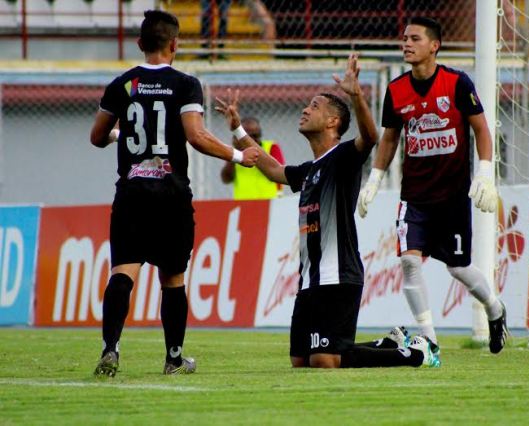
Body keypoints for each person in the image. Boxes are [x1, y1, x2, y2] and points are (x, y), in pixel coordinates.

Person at [216, 53, 437, 368]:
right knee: (300, 360)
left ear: (334, 122)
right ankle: (385, 344)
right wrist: (238, 130)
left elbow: (372, 136)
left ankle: (416, 354)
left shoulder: (344, 158)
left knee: (324, 359)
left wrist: (356, 95)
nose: (305, 109)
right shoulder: (309, 170)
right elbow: (272, 169)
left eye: (315, 106)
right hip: (309, 279)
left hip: (339, 276)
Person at [89, 9, 259, 377]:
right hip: (171, 194)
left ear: (140, 44)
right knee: (172, 279)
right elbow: (196, 136)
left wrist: (123, 137)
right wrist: (237, 154)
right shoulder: (185, 84)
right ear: (175, 44)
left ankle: (110, 349)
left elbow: (97, 136)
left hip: (132, 193)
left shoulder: (122, 84)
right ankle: (174, 358)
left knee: (122, 272)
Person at [357, 17, 508, 362]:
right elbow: (390, 138)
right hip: (415, 198)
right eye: (404, 38)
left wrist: (484, 173)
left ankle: (495, 308)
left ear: (434, 46)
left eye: (414, 38)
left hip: (453, 196)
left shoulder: (457, 83)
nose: (406, 44)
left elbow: (482, 130)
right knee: (409, 264)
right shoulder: (396, 90)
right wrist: (375, 178)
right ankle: (429, 342)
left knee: (457, 268)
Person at [220, 116, 286, 199]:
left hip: (269, 202)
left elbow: (279, 173)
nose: (253, 139)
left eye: (256, 135)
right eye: (249, 136)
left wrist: (253, 152)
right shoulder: (236, 152)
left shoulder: (272, 147)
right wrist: (236, 152)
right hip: (243, 203)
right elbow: (226, 179)